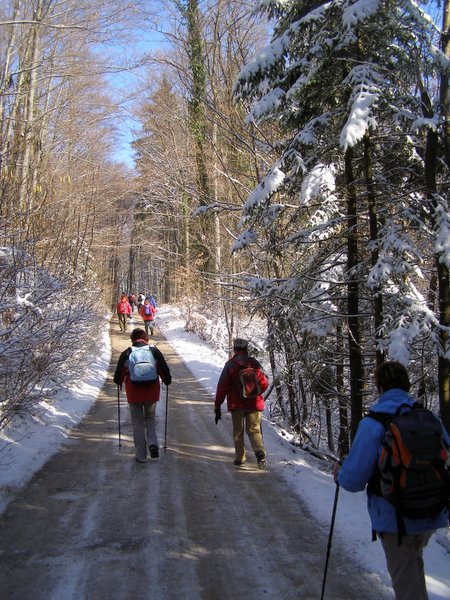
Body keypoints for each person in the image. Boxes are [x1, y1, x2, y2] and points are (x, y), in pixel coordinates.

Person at [333, 361, 450, 600]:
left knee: (406, 583)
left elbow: (353, 480)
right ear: (407, 385)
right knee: (414, 567)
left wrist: (339, 473)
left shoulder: (374, 423)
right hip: (432, 511)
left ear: (380, 387)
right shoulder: (429, 418)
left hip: (394, 518)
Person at [114, 328, 171, 463]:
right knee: (150, 418)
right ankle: (153, 444)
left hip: (134, 393)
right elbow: (165, 374)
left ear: (132, 340)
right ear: (146, 339)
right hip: (151, 392)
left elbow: (117, 378)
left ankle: (141, 455)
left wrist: (120, 381)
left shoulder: (127, 353)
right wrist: (166, 381)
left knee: (138, 422)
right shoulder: (154, 351)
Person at [214, 338, 269, 469]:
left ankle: (240, 458)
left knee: (238, 432)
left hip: (236, 404)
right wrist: (256, 393)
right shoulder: (254, 363)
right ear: (246, 348)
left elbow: (222, 387)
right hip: (254, 403)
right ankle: (260, 453)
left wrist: (217, 405)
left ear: (235, 349)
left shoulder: (230, 365)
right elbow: (265, 383)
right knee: (254, 430)